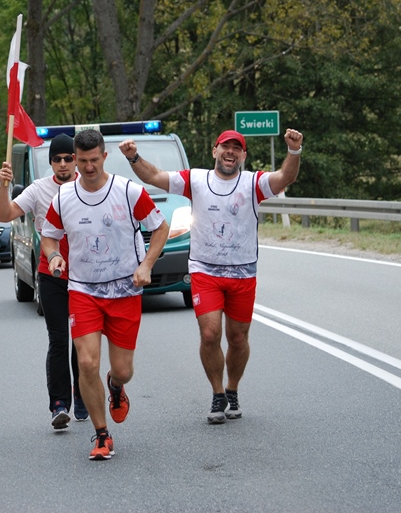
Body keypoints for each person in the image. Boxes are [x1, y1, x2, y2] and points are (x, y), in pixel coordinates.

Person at [119, 128, 303, 424]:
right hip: (205, 271)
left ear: (243, 156)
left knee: (238, 338)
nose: (230, 152)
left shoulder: (253, 183)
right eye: (225, 147)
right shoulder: (195, 179)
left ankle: (232, 389)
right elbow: (154, 176)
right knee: (209, 333)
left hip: (243, 272)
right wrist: (134, 157)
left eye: (236, 148)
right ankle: (218, 393)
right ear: (214, 151)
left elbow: (286, 177)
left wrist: (294, 151)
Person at [41, 129, 169, 460]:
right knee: (86, 362)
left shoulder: (128, 191)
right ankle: (101, 434)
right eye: (82, 161)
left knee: (123, 370)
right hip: (83, 290)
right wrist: (54, 256)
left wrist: (146, 265)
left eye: (94, 160)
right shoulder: (63, 198)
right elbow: (49, 236)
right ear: (75, 159)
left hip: (125, 288)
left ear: (104, 157)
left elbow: (161, 227)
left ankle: (115, 385)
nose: (88, 167)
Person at [0, 133, 88, 431]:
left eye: (68, 158)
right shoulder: (38, 189)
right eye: (57, 159)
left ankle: (82, 393)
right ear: (50, 163)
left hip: (85, 277)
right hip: (52, 276)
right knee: (59, 339)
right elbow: (5, 215)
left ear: (76, 160)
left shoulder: (89, 185)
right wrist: (4, 186)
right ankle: (59, 404)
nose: (63, 164)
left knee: (82, 341)